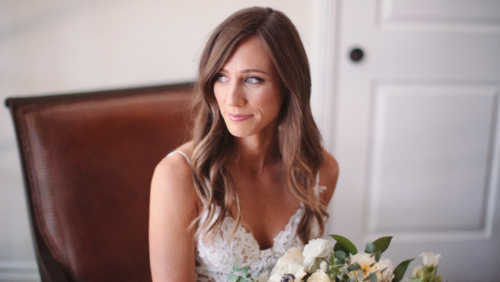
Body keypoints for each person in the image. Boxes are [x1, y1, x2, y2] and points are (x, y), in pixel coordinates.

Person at [149, 7, 339, 282]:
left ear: (289, 86)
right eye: (221, 77)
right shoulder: (178, 175)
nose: (232, 98)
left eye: (252, 79)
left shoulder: (321, 171)